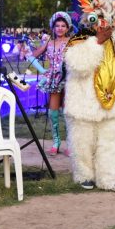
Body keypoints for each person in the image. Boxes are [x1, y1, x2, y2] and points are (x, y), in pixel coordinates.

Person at [63, 0, 115, 192]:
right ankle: (85, 174)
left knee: (110, 141)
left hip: (112, 102)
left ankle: (109, 177)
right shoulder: (79, 39)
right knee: (83, 142)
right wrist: (98, 41)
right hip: (83, 103)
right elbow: (78, 67)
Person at [27, 12, 73, 155]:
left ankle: (70, 144)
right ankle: (56, 142)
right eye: (57, 25)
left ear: (68, 27)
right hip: (53, 80)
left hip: (68, 80)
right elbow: (31, 56)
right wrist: (43, 70)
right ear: (53, 27)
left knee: (68, 113)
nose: (60, 28)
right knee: (53, 112)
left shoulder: (72, 41)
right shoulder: (49, 42)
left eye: (63, 26)